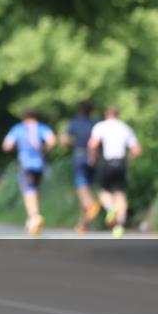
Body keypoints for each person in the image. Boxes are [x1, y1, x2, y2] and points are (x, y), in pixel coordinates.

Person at [87, 106, 142, 238]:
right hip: (121, 162)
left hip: (107, 162)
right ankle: (119, 225)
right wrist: (128, 159)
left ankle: (111, 208)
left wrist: (92, 158)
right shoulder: (125, 127)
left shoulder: (101, 126)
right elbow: (137, 150)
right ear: (118, 115)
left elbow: (92, 144)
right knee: (120, 193)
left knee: (103, 190)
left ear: (106, 115)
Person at [2, 109, 56, 234]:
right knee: (35, 190)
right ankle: (31, 219)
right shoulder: (42, 127)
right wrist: (44, 148)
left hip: (26, 164)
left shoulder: (19, 128)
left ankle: (34, 216)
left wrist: (17, 146)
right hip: (40, 165)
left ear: (24, 117)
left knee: (28, 191)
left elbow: (6, 145)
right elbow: (52, 140)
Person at [61, 99, 100, 232]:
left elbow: (65, 140)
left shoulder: (74, 123)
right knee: (88, 188)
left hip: (79, 155)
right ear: (92, 110)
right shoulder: (96, 124)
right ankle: (84, 223)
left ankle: (91, 205)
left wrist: (74, 144)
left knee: (82, 188)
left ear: (80, 110)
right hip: (94, 157)